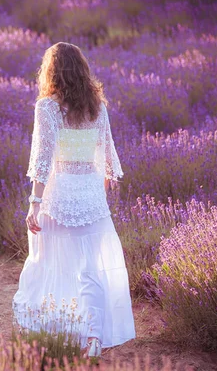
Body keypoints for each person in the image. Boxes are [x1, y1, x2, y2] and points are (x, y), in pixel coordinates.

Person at [12, 42, 136, 358]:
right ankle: (92, 338)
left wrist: (34, 203)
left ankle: (54, 331)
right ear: (82, 71)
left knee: (49, 263)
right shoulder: (98, 108)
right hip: (91, 197)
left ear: (52, 72)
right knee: (91, 269)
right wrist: (98, 193)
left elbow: (43, 158)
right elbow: (107, 160)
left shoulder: (48, 108)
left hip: (59, 197)